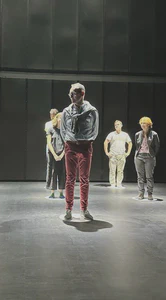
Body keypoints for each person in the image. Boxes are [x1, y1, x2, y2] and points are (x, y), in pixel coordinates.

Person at [60, 83, 99, 220]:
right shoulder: (66, 111)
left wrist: (86, 140)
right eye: (70, 94)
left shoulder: (92, 111)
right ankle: (68, 209)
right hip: (70, 146)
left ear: (82, 94)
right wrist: (69, 141)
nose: (71, 96)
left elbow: (95, 130)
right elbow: (63, 129)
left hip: (85, 146)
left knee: (84, 179)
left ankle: (84, 209)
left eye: (73, 93)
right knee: (69, 179)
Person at [134, 117, 160, 200]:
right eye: (141, 123)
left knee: (149, 176)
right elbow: (137, 146)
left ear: (149, 124)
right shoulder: (137, 134)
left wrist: (153, 154)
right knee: (140, 176)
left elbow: (157, 146)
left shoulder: (154, 134)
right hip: (139, 156)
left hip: (149, 157)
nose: (142, 125)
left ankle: (150, 193)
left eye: (144, 123)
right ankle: (141, 193)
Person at [104, 120, 132, 188]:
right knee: (112, 170)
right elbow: (106, 142)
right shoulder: (111, 134)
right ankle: (112, 184)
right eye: (115, 125)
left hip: (121, 155)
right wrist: (107, 152)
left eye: (118, 124)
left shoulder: (125, 134)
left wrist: (128, 152)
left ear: (121, 125)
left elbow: (130, 143)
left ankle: (119, 183)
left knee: (120, 170)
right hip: (113, 154)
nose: (116, 126)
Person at [46, 113, 65, 199]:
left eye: (62, 118)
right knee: (53, 171)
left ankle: (61, 192)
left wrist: (62, 155)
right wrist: (54, 154)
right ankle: (52, 192)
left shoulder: (65, 131)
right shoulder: (50, 129)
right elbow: (49, 143)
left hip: (62, 154)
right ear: (56, 118)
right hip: (52, 154)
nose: (60, 120)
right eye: (59, 118)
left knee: (62, 172)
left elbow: (67, 144)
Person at [44, 109, 59, 189]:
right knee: (50, 165)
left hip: (58, 145)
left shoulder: (59, 123)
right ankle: (48, 183)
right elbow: (48, 133)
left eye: (52, 114)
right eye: (51, 114)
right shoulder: (48, 124)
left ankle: (54, 184)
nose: (51, 116)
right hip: (50, 145)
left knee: (55, 165)